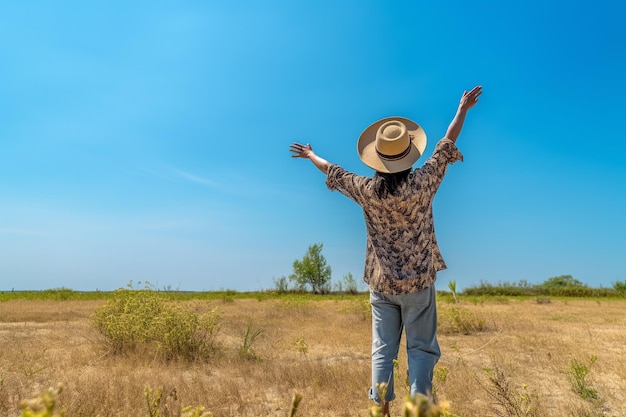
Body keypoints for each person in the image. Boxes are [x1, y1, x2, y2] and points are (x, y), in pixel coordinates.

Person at [289, 86, 482, 416]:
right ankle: (419, 408)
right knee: (421, 349)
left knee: (382, 349)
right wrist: (462, 108)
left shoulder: (367, 191)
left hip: (381, 285)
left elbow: (333, 170)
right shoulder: (423, 182)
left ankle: (382, 409)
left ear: (378, 160)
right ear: (409, 156)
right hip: (419, 284)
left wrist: (311, 155)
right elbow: (446, 144)